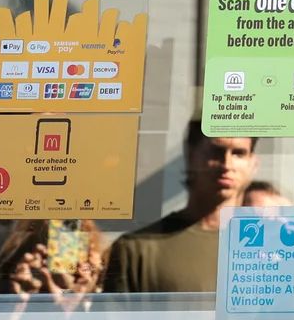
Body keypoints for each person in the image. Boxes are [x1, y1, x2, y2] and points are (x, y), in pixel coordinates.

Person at [101, 122, 259, 293]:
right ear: (191, 156)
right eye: (216, 152)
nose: (227, 164)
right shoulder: (136, 250)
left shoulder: (269, 250)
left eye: (239, 153)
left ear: (252, 163)